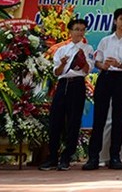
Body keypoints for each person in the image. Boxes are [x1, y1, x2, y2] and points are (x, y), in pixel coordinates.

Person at [83, 8, 122, 170]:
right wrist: (104, 65)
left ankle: (115, 157)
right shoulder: (105, 41)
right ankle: (93, 157)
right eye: (121, 19)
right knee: (99, 118)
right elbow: (97, 62)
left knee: (118, 118)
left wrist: (119, 64)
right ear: (115, 21)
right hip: (105, 78)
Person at [39, 18, 94, 171]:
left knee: (74, 122)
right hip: (63, 85)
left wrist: (83, 61)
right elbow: (56, 72)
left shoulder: (88, 48)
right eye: (76, 29)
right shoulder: (62, 49)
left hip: (77, 85)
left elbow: (87, 70)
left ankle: (66, 157)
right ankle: (52, 157)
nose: (79, 32)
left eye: (82, 29)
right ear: (70, 31)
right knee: (56, 121)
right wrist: (63, 63)